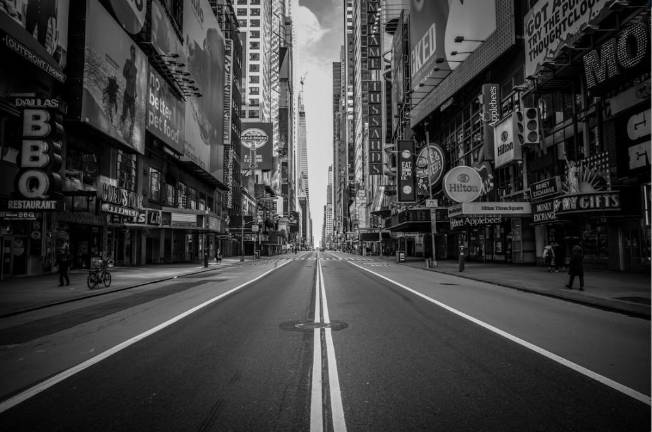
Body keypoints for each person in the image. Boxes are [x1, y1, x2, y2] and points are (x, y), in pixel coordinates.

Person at [121, 45, 138, 140]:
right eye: (132, 52)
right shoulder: (128, 63)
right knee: (124, 115)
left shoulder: (135, 69)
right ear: (130, 52)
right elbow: (124, 74)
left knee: (133, 118)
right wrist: (128, 68)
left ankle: (130, 135)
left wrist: (136, 91)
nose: (133, 54)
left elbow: (134, 81)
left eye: (134, 53)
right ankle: (120, 129)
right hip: (127, 93)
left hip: (132, 96)